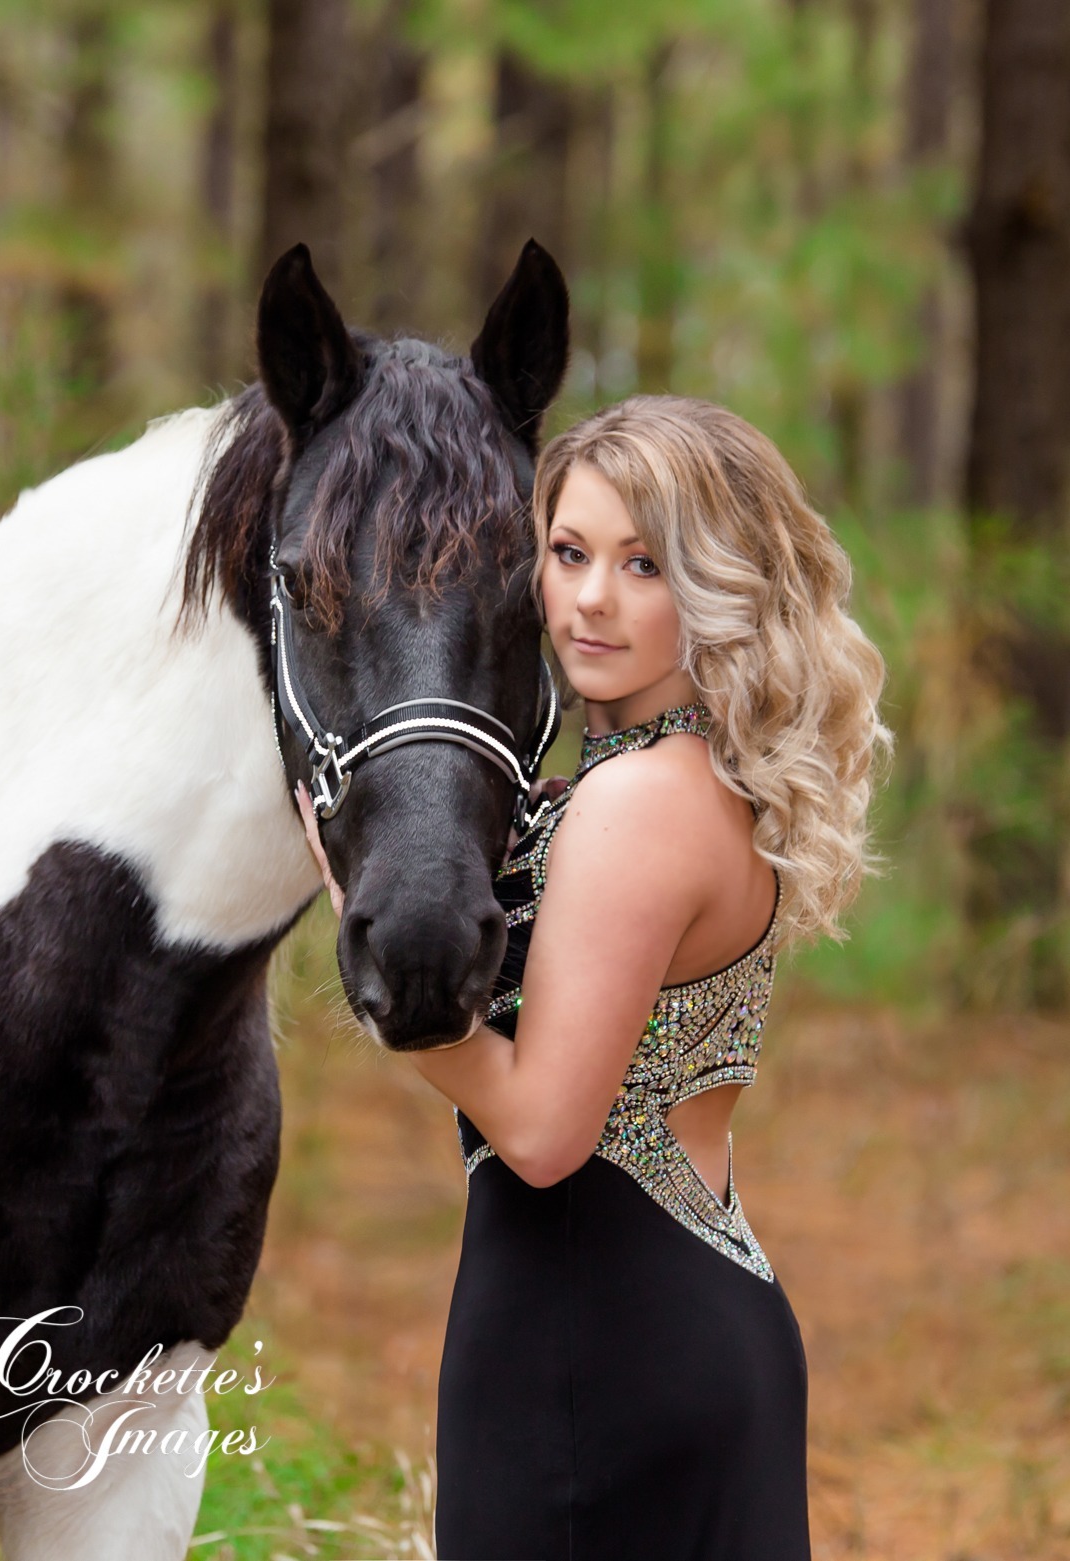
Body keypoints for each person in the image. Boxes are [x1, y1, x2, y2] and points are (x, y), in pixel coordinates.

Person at [297, 393, 891, 1560]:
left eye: (645, 564)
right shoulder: (697, 780)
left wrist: (373, 955)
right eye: (569, 554)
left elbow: (544, 1131)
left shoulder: (633, 803)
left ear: (719, 584)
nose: (592, 599)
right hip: (676, 1325)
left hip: (591, 1363)